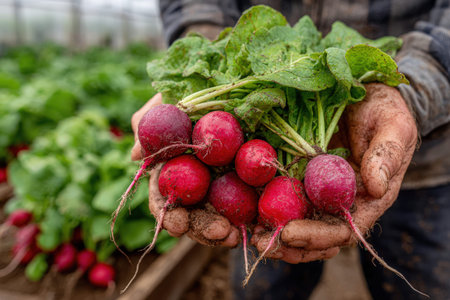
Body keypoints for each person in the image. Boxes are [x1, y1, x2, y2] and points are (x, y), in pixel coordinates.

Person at [131, 1, 450, 299]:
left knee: (420, 283)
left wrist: (415, 87)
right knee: (265, 281)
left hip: (424, 158)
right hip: (266, 190)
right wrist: (207, 49)